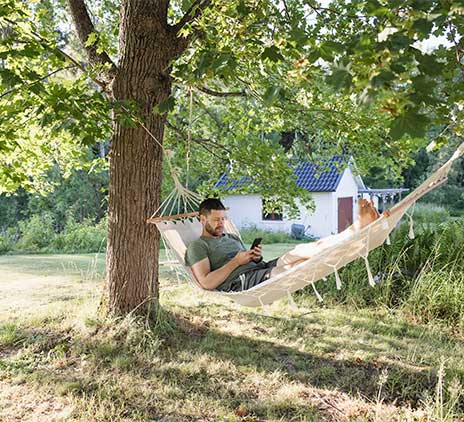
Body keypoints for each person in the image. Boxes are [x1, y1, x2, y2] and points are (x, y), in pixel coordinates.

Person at [185, 197, 386, 292]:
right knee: (295, 268)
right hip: (243, 282)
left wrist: (253, 256)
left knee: (302, 250)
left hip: (259, 268)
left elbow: (245, 259)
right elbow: (206, 283)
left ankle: (357, 229)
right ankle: (359, 228)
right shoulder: (198, 246)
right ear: (203, 220)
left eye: (223, 219)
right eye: (216, 220)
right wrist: (237, 262)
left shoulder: (231, 237)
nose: (222, 224)